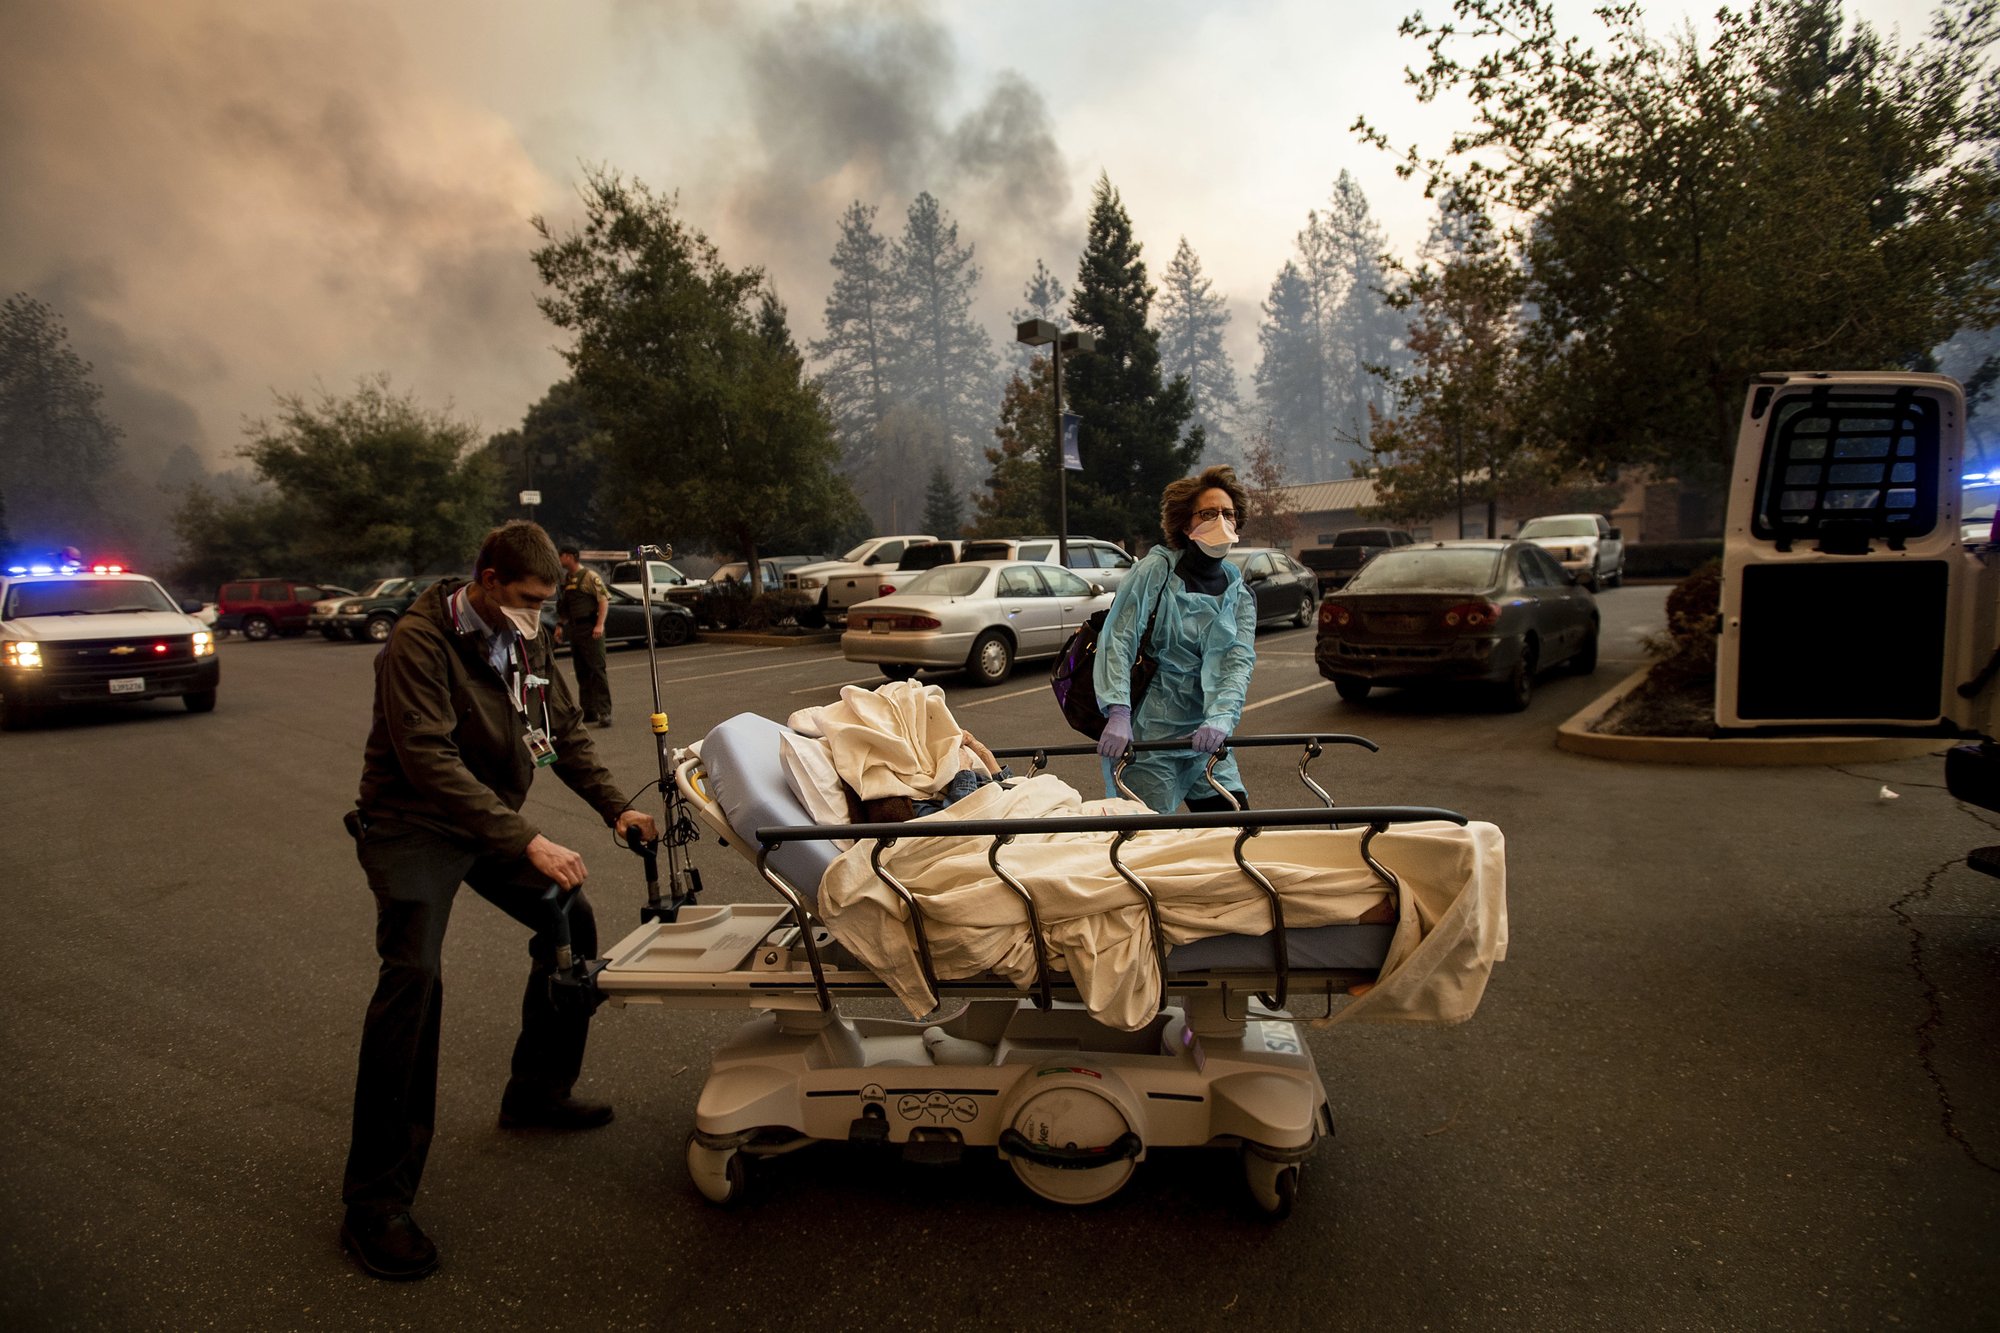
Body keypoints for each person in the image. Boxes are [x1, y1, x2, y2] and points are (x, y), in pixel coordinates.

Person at [339, 521, 658, 1281]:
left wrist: (617, 807)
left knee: (568, 916)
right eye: (525, 599)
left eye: (546, 603)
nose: (537, 616)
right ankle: (374, 1200)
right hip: (411, 820)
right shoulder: (417, 644)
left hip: (484, 818)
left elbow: (563, 732)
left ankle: (537, 1090)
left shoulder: (525, 639)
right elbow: (427, 760)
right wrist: (527, 839)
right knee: (413, 976)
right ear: (485, 579)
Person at [1092, 465, 1257, 813]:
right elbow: (1118, 638)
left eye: (1228, 513)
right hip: (1150, 738)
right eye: (1209, 513)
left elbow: (1237, 663)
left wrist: (1222, 719)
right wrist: (1118, 711)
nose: (1220, 521)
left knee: (1234, 824)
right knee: (1144, 842)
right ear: (1186, 524)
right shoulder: (1157, 572)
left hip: (1204, 737)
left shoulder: (1237, 593)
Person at [554, 546, 612, 727]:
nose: (559, 559)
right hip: (575, 629)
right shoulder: (567, 579)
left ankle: (605, 712)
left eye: (561, 556)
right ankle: (589, 711)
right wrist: (560, 625)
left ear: (570, 557)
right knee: (582, 672)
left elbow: (603, 600)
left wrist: (599, 624)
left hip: (590, 628)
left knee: (597, 670)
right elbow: (566, 607)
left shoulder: (589, 576)